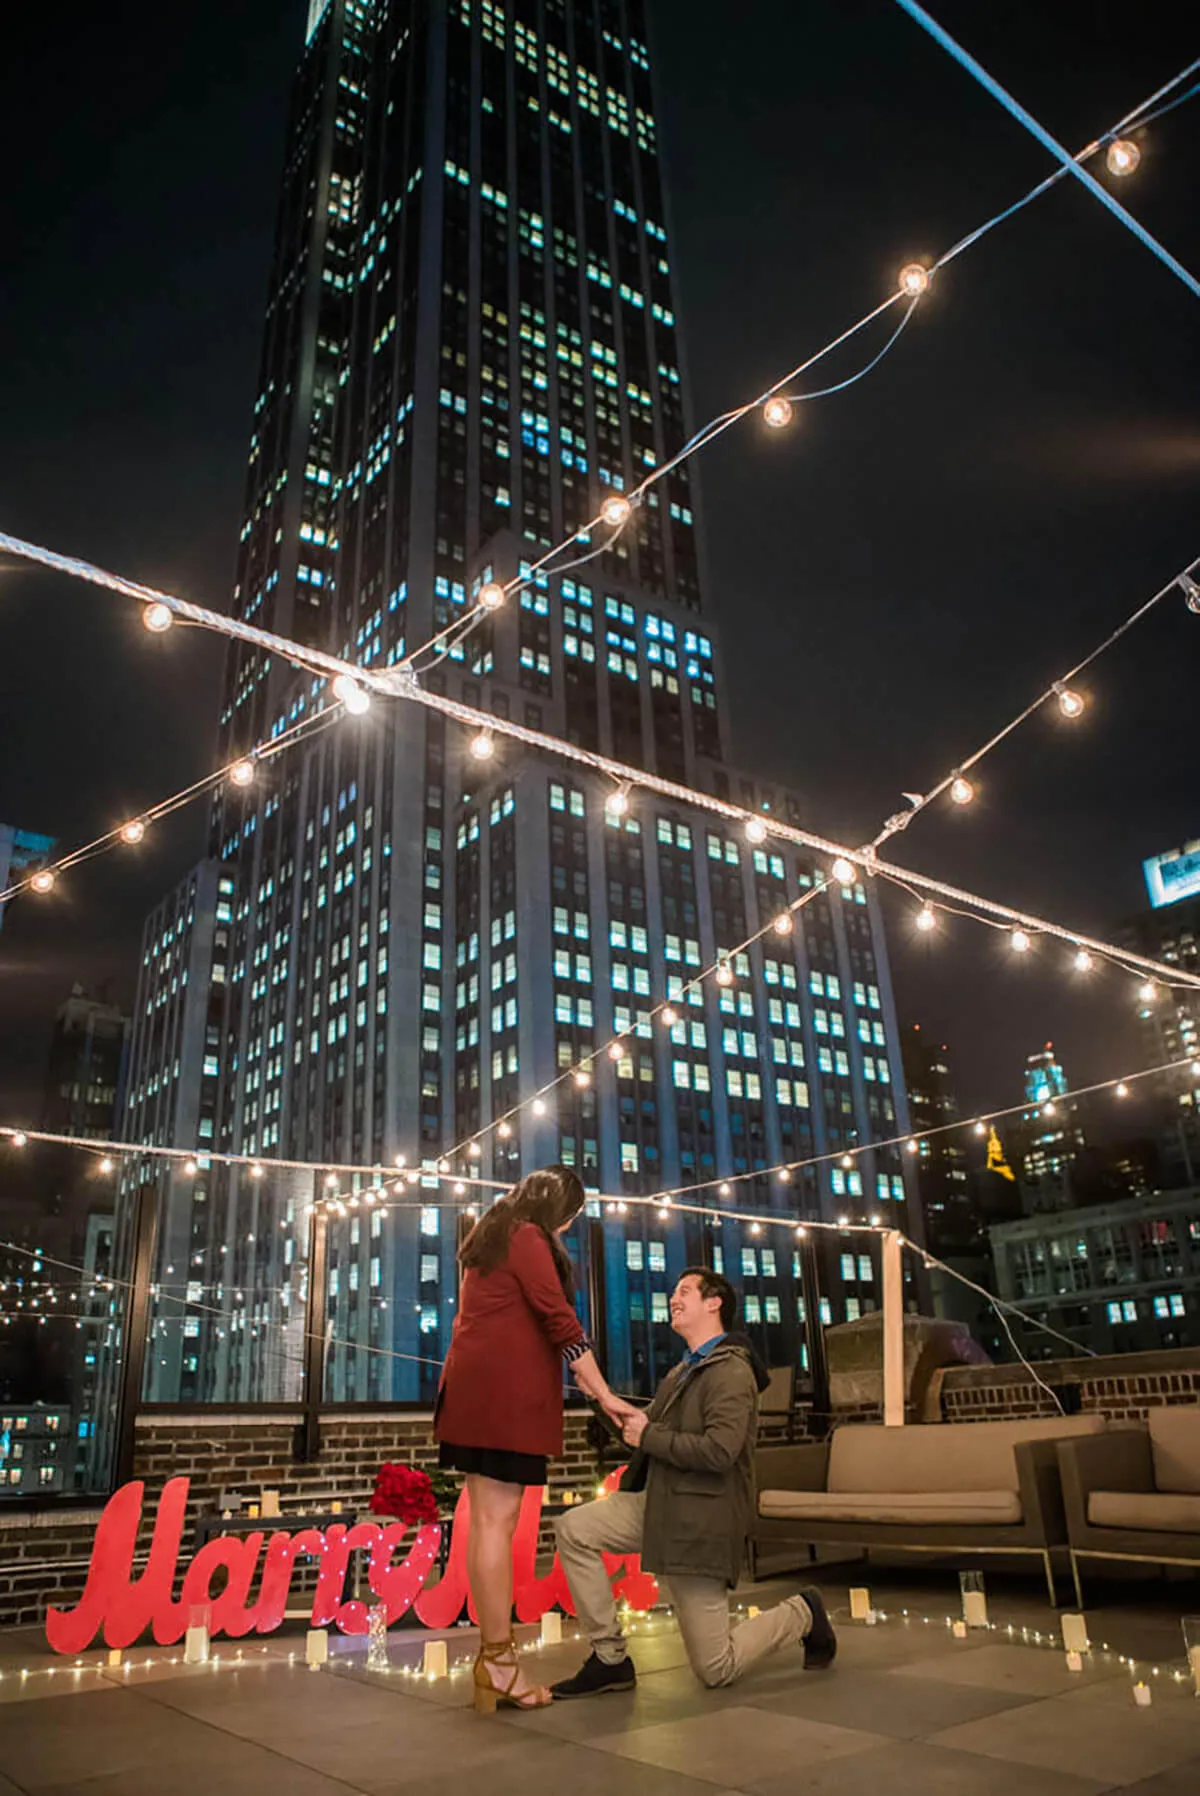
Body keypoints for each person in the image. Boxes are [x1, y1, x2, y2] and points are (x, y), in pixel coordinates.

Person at [551, 1266, 836, 1696]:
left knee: (715, 1668)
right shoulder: (683, 1372)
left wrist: (648, 1433)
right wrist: (604, 1403)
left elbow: (720, 1451)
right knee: (574, 1529)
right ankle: (610, 1658)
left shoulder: (731, 1371)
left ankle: (803, 1612)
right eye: (673, 1293)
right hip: (660, 1504)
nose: (673, 1299)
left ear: (714, 1302)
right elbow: (654, 1440)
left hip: (701, 1519)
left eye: (685, 1291)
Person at [434, 1165, 634, 1713]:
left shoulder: (493, 1234)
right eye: (568, 1222)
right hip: (504, 1400)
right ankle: (498, 1662)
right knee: (497, 1526)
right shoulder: (527, 1235)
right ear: (559, 1211)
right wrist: (606, 1397)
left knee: (486, 1526)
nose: (566, 1232)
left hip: (474, 1394)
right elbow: (560, 1320)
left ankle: (492, 1656)